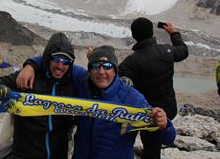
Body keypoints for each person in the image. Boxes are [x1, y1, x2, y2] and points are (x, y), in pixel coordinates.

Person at [18, 45, 176, 159]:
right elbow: (59, 64)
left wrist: (163, 125)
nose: (101, 72)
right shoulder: (83, 82)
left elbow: (167, 138)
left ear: (115, 69)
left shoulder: (131, 98)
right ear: (90, 69)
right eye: (96, 66)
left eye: (107, 66)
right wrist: (30, 65)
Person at [0, 32, 86, 159]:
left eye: (66, 61)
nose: (60, 65)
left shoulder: (73, 83)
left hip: (58, 155)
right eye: (56, 58)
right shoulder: (27, 78)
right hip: (24, 155)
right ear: (48, 57)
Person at [118, 17, 188, 159]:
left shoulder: (131, 61)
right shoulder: (167, 50)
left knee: (150, 144)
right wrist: (174, 34)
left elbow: (118, 81)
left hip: (147, 113)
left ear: (134, 36)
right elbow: (183, 51)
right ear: (152, 32)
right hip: (168, 108)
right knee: (157, 138)